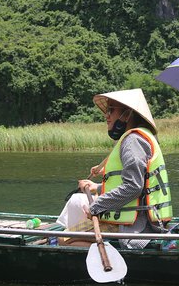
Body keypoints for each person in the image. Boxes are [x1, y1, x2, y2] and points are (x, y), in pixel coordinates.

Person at [56, 88, 172, 248]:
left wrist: (96, 206)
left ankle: (111, 253)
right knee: (65, 234)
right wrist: (97, 187)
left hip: (132, 225)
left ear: (128, 114)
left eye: (111, 110)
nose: (106, 115)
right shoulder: (139, 136)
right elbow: (135, 184)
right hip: (134, 219)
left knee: (62, 239)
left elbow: (133, 187)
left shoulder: (133, 141)